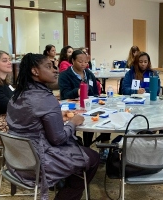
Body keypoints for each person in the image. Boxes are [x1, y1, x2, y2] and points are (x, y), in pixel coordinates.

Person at [6, 53, 99, 200]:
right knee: (93, 158)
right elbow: (58, 139)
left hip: (18, 159)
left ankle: (65, 183)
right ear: (35, 71)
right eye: (49, 67)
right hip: (40, 161)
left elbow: (30, 120)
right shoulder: (45, 98)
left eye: (54, 66)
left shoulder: (18, 94)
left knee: (79, 146)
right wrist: (73, 122)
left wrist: (56, 116)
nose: (55, 70)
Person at [58, 50, 110, 157]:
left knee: (106, 117)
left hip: (90, 106)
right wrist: (77, 92)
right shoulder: (65, 75)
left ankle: (101, 147)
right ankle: (78, 149)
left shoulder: (89, 74)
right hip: (73, 108)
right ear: (73, 61)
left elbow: (95, 93)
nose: (83, 64)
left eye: (85, 62)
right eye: (80, 61)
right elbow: (64, 95)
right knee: (78, 122)